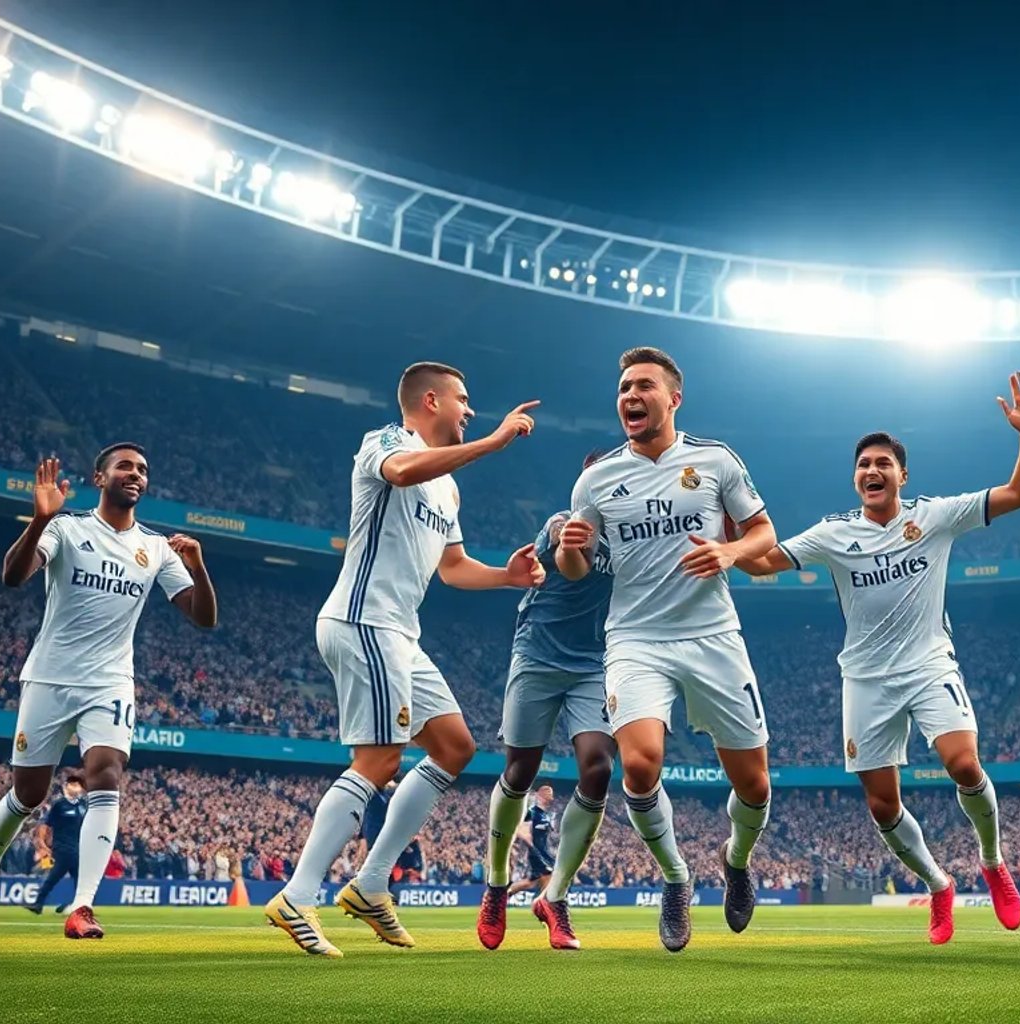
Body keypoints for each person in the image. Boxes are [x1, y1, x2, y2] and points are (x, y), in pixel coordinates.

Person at [731, 373, 1020, 945]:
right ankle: (939, 885)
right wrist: (726, 525)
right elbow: (759, 564)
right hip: (866, 679)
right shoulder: (833, 533)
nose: (871, 472)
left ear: (903, 475)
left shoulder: (937, 516)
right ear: (855, 479)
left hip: (929, 665)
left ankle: (994, 863)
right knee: (881, 805)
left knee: (964, 765)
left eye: (882, 463)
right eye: (862, 465)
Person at [267, 362, 544, 958]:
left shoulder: (448, 486)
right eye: (462, 400)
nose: (470, 410)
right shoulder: (387, 441)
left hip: (400, 634)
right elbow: (399, 471)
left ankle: (369, 885)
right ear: (429, 400)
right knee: (379, 759)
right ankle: (298, 895)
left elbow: (452, 567)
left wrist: (506, 577)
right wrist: (491, 442)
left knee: (453, 746)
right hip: (363, 620)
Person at [557, 346, 778, 952]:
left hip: (713, 638)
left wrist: (731, 552)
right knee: (639, 763)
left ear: (673, 399)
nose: (630, 395)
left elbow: (764, 533)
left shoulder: (714, 461)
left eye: (644, 386)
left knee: (755, 786)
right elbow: (576, 570)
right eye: (624, 386)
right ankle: (676, 879)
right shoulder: (596, 478)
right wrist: (572, 546)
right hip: (635, 639)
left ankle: (736, 861)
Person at [0, 445, 218, 941]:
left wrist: (199, 566)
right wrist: (39, 522)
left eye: (143, 470)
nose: (136, 475)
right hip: (49, 678)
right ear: (99, 476)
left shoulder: (156, 548)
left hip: (110, 680)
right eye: (125, 466)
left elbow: (204, 618)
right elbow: (13, 576)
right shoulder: (68, 528)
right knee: (28, 794)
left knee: (107, 774)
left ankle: (82, 907)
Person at [478, 456, 617, 952]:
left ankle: (554, 898)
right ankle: (496, 884)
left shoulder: (633, 537)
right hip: (537, 652)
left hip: (594, 663)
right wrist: (570, 543)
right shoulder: (564, 523)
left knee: (598, 770)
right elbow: (571, 567)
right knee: (521, 771)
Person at [28, 775, 87, 914]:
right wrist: (42, 843)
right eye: (71, 784)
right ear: (66, 787)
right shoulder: (59, 805)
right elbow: (46, 824)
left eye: (77, 784)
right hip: (63, 848)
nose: (75, 787)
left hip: (79, 850)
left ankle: (70, 905)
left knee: (78, 881)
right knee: (55, 876)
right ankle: (39, 904)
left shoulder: (84, 805)